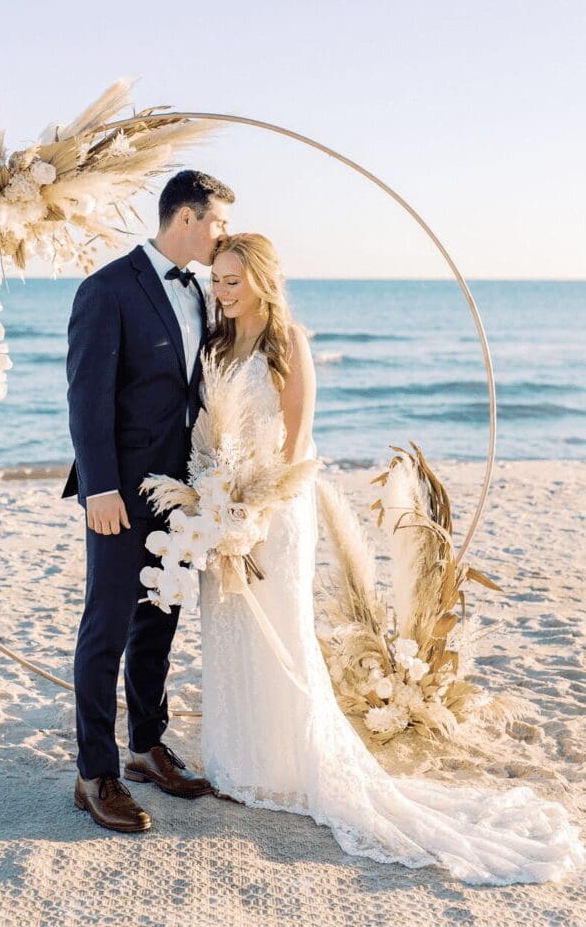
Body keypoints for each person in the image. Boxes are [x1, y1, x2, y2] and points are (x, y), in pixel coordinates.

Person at [199, 231, 584, 885]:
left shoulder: (290, 344)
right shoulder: (216, 344)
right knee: (231, 628)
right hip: (225, 509)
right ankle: (244, 763)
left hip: (276, 510)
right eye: (218, 281)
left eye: (233, 281)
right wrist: (216, 502)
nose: (223, 292)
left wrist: (256, 510)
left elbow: (296, 445)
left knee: (280, 633)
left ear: (262, 279)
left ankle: (292, 763)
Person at [63, 169, 234, 832]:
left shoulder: (203, 292)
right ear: (187, 218)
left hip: (182, 490)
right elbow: (87, 395)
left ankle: (145, 749)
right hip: (121, 492)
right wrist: (99, 487)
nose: (222, 236)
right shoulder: (108, 289)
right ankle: (94, 772)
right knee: (106, 623)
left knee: (160, 617)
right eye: (217, 222)